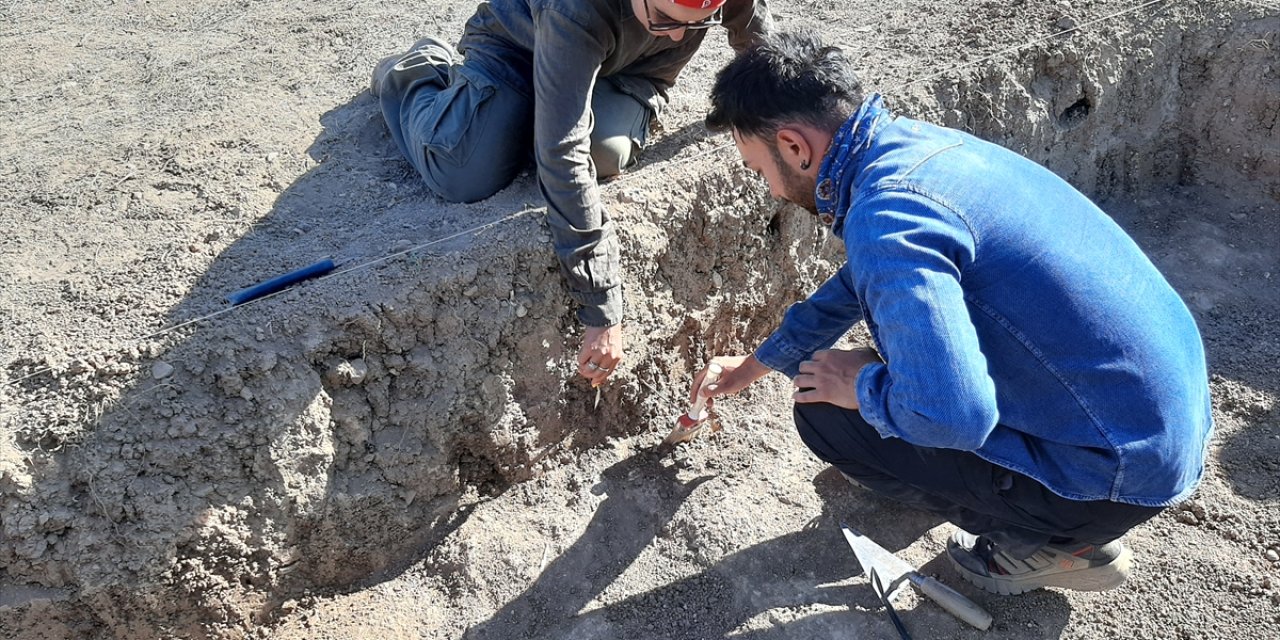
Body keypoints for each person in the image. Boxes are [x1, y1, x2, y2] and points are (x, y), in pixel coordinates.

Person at [694, 32, 1212, 595]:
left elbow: (953, 416)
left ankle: (1060, 545)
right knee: (882, 365)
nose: (769, 189)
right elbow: (858, 282)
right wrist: (758, 364)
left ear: (794, 148)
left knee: (827, 408)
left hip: (1111, 476)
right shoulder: (915, 150)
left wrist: (863, 389)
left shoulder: (885, 218)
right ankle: (981, 484)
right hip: (1154, 428)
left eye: (757, 169)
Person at [370, 0, 771, 386]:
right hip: (516, 55)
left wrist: (775, 117)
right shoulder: (573, 5)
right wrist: (601, 308)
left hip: (627, 70)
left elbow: (759, 48)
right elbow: (562, 154)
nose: (680, 34)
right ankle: (417, 72)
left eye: (698, 24)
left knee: (605, 154)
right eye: (666, 20)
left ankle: (528, 113)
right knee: (463, 173)